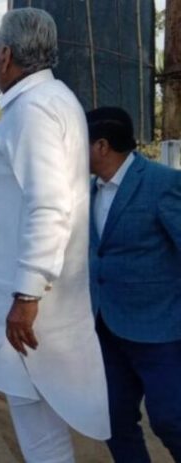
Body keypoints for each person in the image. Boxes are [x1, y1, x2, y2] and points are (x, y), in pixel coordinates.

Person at [0, 8, 109, 461]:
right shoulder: (51, 101)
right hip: (36, 297)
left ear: (4, 56)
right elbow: (31, 188)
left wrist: (26, 295)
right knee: (42, 425)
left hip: (30, 304)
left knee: (40, 432)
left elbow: (49, 204)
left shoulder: (34, 112)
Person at [86, 107, 181, 462]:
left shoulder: (162, 184)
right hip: (106, 327)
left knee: (171, 420)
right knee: (113, 420)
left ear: (101, 146)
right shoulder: (85, 189)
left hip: (161, 331)